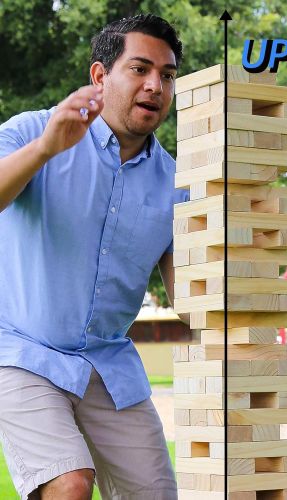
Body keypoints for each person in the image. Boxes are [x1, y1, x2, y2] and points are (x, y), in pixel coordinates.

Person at [0, 14, 188, 500]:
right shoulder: (33, 131)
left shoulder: (178, 185)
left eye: (166, 76)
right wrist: (45, 149)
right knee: (69, 483)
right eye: (140, 69)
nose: (155, 86)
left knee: (156, 494)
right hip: (21, 350)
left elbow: (188, 296)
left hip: (109, 366)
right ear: (101, 76)